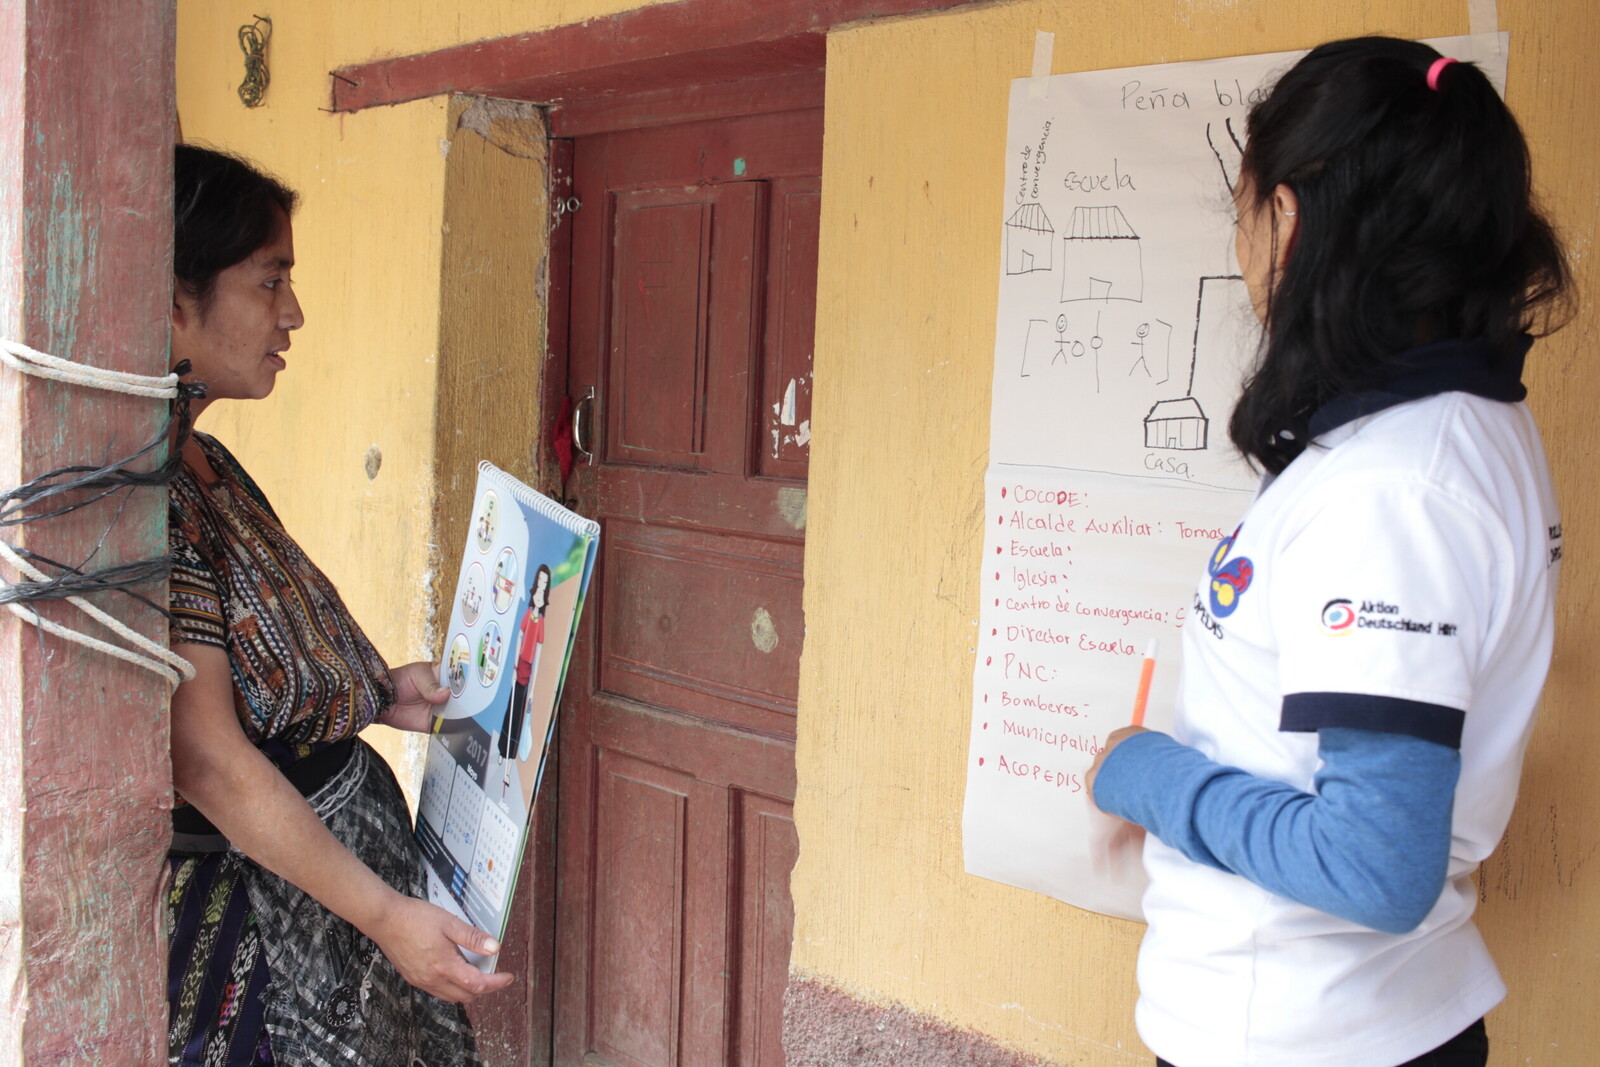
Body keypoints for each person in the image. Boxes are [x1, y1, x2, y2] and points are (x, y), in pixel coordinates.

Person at [1086, 37, 1569, 1067]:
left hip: (1306, 1032)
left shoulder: (1395, 489)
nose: (1241, 251)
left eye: (1244, 213)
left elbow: (1371, 864)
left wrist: (1145, 776)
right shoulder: (1439, 435)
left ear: (1292, 221)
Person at [165, 144, 512, 1067]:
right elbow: (204, 756)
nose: (294, 312)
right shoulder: (147, 497)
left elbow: (259, 664)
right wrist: (387, 913)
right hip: (276, 933)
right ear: (173, 296)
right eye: (270, 279)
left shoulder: (210, 468)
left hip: (336, 907)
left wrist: (374, 690)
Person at [496, 564, 551, 794]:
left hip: (527, 680)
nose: (539, 595)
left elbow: (537, 658)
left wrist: (533, 690)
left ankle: (508, 768)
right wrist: (513, 668)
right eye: (537, 588)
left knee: (518, 720)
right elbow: (519, 638)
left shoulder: (541, 624)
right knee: (509, 713)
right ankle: (501, 752)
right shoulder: (528, 615)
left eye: (543, 590)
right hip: (517, 673)